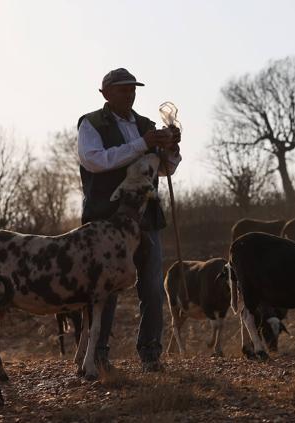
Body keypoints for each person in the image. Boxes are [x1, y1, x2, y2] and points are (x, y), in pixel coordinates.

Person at [77, 68, 181, 372]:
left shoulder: (147, 125)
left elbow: (165, 169)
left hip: (145, 219)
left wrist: (172, 147)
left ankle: (150, 354)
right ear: (105, 93)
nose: (129, 94)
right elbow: (95, 161)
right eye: (123, 89)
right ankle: (98, 355)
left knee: (151, 286)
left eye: (132, 89)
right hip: (105, 222)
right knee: (103, 290)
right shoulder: (91, 123)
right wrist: (142, 144)